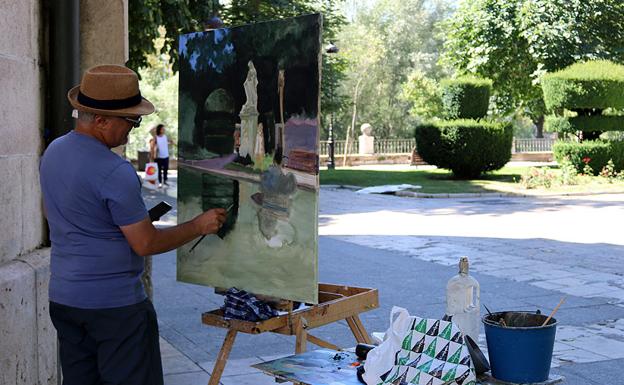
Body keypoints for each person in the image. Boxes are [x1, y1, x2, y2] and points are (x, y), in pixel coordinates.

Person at [39, 64, 227, 385]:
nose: (133, 129)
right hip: (114, 308)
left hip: (66, 300)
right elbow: (146, 244)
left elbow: (61, 212)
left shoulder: (53, 152)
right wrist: (198, 225)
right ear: (100, 120)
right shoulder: (114, 170)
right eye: (130, 121)